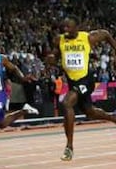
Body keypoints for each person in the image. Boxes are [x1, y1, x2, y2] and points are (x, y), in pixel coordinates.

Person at [46, 15, 116, 161]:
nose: (65, 30)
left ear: (76, 27)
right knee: (90, 112)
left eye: (68, 27)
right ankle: (113, 118)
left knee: (67, 103)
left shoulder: (88, 37)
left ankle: (69, 147)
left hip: (86, 79)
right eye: (64, 27)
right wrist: (51, 58)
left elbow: (106, 34)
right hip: (72, 81)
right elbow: (54, 55)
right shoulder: (60, 40)